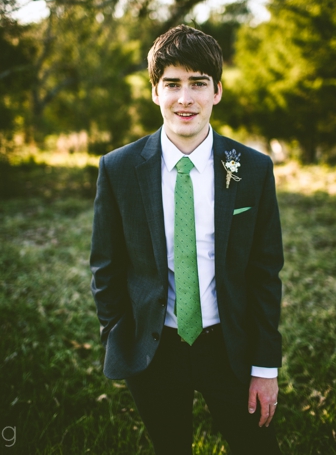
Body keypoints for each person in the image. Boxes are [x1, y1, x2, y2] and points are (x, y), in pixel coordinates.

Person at [90, 25, 283, 454]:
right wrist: (118, 337)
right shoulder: (119, 169)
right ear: (154, 92)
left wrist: (265, 366)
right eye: (172, 84)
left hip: (229, 345)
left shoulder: (252, 169)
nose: (184, 99)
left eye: (197, 84)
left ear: (217, 91)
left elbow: (265, 273)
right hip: (155, 350)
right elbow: (106, 265)